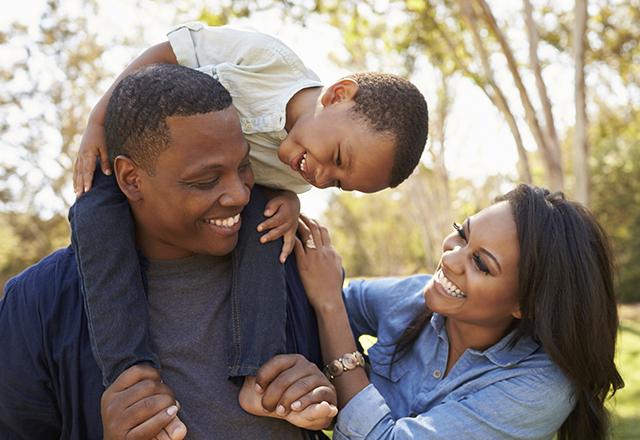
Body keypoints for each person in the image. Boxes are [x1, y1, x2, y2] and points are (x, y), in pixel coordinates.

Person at [69, 23, 430, 399]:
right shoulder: (268, 61)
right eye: (338, 158)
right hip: (142, 157)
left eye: (339, 182)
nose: (322, 177)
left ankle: (259, 374)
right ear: (338, 95)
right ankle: (130, 374)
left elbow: (267, 187)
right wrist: (99, 119)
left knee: (269, 228)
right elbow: (168, 52)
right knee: (94, 212)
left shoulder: (302, 174)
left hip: (216, 201)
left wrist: (290, 201)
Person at [0, 64, 337, 439]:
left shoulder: (291, 261)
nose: (241, 195)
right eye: (205, 180)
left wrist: (323, 393)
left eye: (244, 167)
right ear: (131, 179)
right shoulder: (37, 303)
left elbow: (362, 402)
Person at [245, 184, 625, 439]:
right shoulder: (414, 298)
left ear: (526, 305)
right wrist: (283, 202)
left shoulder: (537, 389)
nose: (450, 257)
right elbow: (310, 296)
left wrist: (329, 308)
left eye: (482, 264)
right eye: (462, 232)